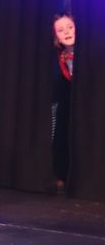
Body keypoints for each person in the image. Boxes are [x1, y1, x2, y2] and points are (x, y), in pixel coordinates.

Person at [51, 13, 75, 192]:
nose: (66, 32)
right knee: (61, 130)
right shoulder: (60, 57)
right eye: (60, 30)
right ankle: (62, 174)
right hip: (68, 99)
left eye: (70, 27)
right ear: (56, 37)